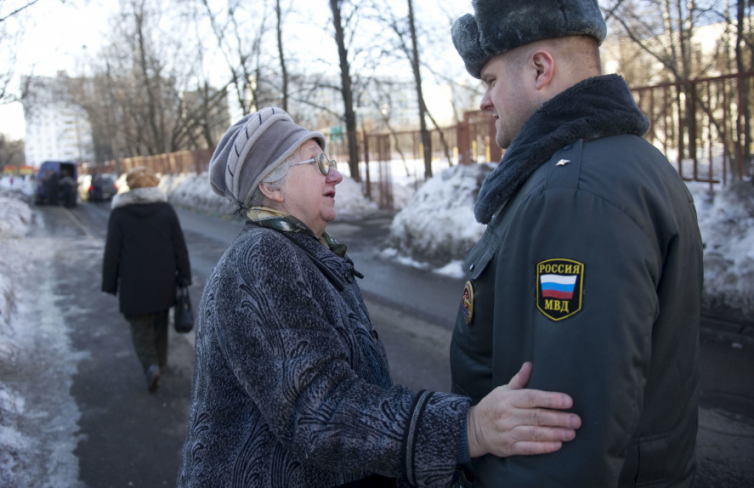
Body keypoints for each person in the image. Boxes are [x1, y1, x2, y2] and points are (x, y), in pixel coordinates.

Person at [178, 107, 582, 488]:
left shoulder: (304, 252)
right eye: (318, 164)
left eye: (330, 162)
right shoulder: (261, 257)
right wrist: (469, 428)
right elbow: (321, 412)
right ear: (271, 187)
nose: (335, 175)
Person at [449, 0, 703, 487]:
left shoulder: (577, 193)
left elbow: (563, 434)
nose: (484, 100)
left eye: (492, 80)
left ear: (540, 69)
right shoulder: (619, 164)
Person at [102, 166, 191, 392]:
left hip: (133, 283)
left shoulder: (120, 214)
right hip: (164, 280)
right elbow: (179, 245)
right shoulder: (166, 210)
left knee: (140, 328)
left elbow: (112, 251)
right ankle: (160, 363)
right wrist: (184, 275)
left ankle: (150, 365)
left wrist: (110, 283)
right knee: (161, 323)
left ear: (130, 186)